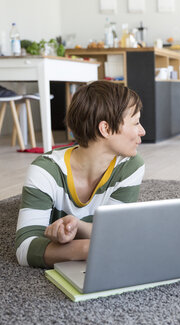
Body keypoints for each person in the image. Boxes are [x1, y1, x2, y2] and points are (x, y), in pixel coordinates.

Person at [15, 81, 146, 268]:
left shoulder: (131, 166)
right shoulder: (45, 171)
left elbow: (116, 233)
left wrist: (77, 226)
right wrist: (89, 249)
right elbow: (25, 248)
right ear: (106, 129)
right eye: (136, 122)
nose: (142, 131)